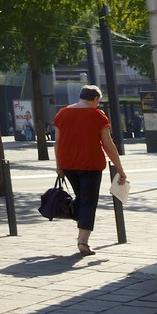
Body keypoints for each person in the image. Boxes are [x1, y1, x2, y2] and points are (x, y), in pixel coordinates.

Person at [52, 85, 125, 257]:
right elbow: (108, 145)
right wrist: (120, 169)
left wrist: (58, 165)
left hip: (68, 165)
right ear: (95, 99)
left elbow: (57, 142)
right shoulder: (97, 115)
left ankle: (81, 228)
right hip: (91, 165)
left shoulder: (61, 114)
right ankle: (83, 241)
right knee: (88, 202)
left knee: (82, 198)